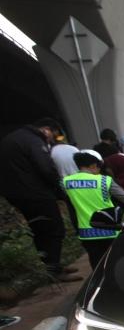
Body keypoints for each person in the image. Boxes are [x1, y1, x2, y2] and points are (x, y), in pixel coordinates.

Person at [0, 118, 82, 282]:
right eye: (54, 136)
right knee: (54, 229)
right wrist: (59, 189)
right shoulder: (34, 141)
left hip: (17, 194)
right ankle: (54, 271)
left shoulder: (16, 137)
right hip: (35, 193)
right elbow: (46, 168)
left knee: (40, 229)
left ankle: (51, 267)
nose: (52, 141)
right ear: (46, 129)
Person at [61, 149, 124, 269]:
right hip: (109, 230)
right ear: (93, 165)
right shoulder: (104, 180)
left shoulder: (65, 182)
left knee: (96, 264)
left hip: (86, 233)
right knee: (114, 263)